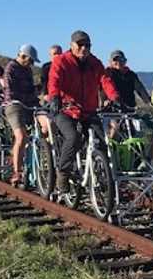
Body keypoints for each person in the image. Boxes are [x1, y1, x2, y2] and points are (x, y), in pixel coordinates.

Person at [47, 30, 120, 193]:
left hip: (88, 110)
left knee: (103, 141)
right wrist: (54, 97)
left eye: (87, 45)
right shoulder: (61, 61)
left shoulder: (95, 63)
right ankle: (63, 173)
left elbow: (105, 80)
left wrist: (114, 97)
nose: (84, 48)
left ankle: (102, 175)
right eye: (80, 45)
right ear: (71, 45)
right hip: (65, 109)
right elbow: (54, 81)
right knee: (72, 137)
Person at [2, 45, 41, 186]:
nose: (31, 64)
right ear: (23, 56)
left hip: (28, 104)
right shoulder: (10, 68)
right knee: (21, 136)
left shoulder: (28, 70)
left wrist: (37, 98)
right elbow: (9, 92)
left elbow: (31, 90)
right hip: (14, 105)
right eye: (30, 61)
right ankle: (17, 172)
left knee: (46, 125)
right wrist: (27, 97)